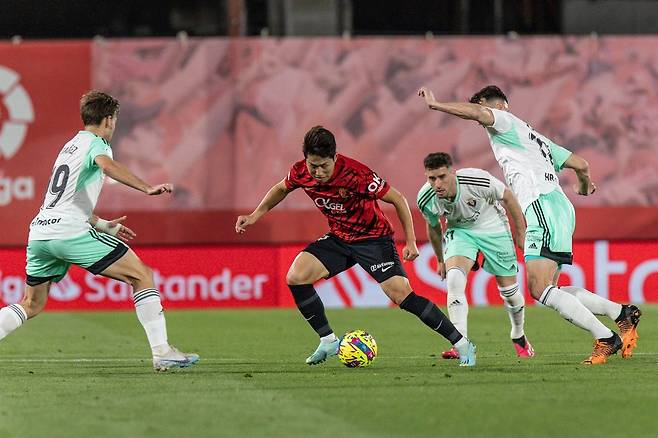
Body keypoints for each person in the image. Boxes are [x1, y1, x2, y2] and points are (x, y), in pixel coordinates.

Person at [417, 84, 641, 364]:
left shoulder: (507, 121)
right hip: (558, 206)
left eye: (485, 108)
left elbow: (477, 112)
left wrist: (437, 105)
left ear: (499, 106)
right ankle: (622, 314)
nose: (481, 118)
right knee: (551, 288)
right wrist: (583, 187)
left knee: (539, 289)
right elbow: (581, 164)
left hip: (541, 205)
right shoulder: (537, 139)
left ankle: (606, 338)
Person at [235, 126, 477, 366]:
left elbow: (398, 199)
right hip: (340, 238)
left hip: (374, 239)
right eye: (313, 165)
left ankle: (462, 344)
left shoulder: (356, 174)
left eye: (323, 166)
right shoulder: (300, 172)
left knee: (402, 295)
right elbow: (280, 189)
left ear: (335, 157)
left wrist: (411, 241)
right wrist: (255, 215)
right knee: (296, 276)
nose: (317, 172)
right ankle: (328, 340)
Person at [0, 90, 199, 372]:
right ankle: (162, 351)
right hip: (69, 232)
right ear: (108, 119)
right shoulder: (98, 144)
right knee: (142, 275)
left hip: (41, 233)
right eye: (115, 119)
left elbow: (67, 198)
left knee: (31, 304)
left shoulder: (70, 146)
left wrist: (103, 225)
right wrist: (146, 187)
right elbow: (106, 165)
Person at [418, 152, 534, 359]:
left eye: (442, 176)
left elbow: (507, 196)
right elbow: (433, 227)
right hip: (460, 232)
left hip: (493, 228)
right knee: (454, 279)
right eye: (431, 178)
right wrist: (440, 259)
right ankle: (460, 342)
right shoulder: (426, 198)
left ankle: (518, 334)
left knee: (510, 293)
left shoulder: (475, 179)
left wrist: (521, 233)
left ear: (452, 172)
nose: (437, 184)